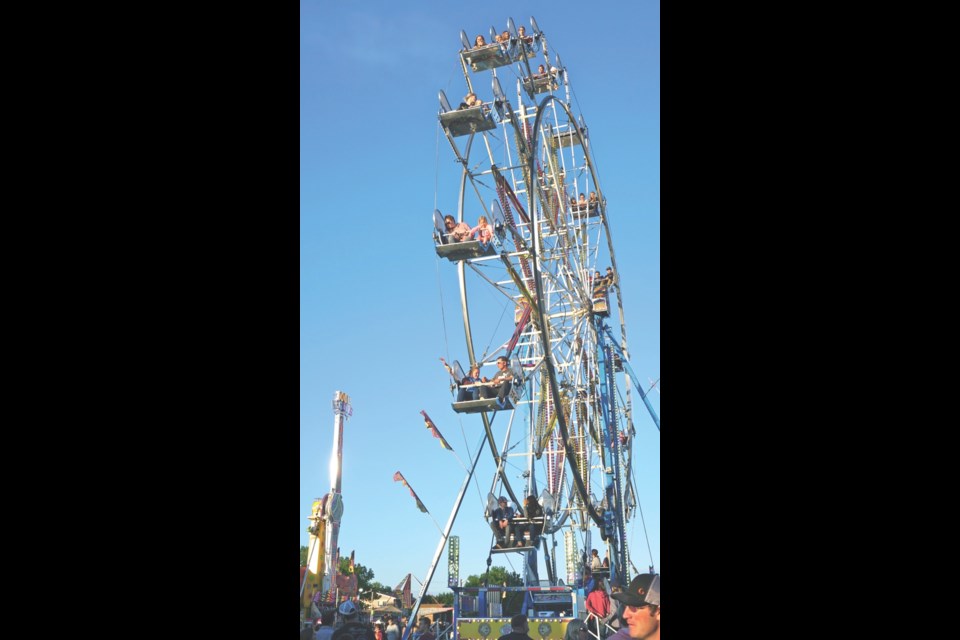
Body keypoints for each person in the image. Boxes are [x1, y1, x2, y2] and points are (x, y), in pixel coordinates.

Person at [609, 574, 660, 640]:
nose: (625, 615)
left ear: (658, 612)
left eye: (634, 607)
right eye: (626, 605)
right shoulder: (621, 637)